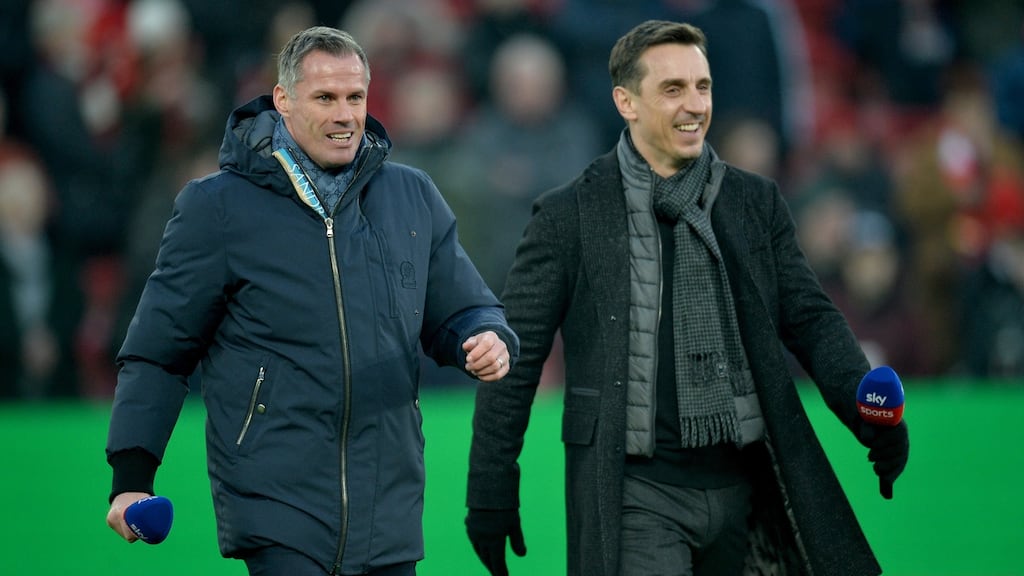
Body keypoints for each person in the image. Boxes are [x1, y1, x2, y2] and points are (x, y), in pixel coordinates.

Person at [465, 20, 909, 576]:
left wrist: (870, 417)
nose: (694, 105)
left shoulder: (756, 202)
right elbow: (516, 354)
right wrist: (490, 484)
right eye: (673, 89)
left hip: (749, 488)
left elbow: (812, 321)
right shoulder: (569, 215)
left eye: (703, 86)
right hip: (635, 496)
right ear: (625, 102)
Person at [105, 26, 518, 576]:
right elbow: (159, 350)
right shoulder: (216, 208)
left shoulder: (413, 195)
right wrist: (132, 479)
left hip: (389, 501)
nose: (345, 114)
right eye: (325, 98)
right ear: (283, 101)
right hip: (275, 500)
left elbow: (464, 307)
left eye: (355, 97)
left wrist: (485, 336)